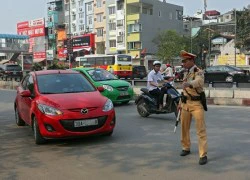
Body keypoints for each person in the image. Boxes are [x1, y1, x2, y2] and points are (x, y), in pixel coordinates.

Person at [179, 50, 208, 165]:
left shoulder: (198, 71)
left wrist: (189, 84)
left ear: (191, 60)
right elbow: (184, 90)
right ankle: (186, 147)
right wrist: (180, 104)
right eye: (182, 61)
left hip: (196, 105)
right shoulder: (186, 72)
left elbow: (199, 82)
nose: (183, 63)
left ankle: (203, 154)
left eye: (185, 61)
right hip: (185, 103)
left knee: (200, 130)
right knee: (184, 128)